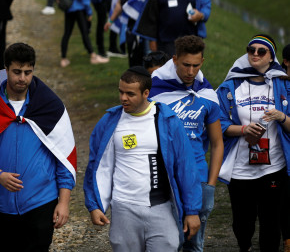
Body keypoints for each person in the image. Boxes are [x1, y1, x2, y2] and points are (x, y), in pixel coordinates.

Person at [0, 43, 77, 252]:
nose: (22, 78)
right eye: (17, 72)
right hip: (1, 204)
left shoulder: (50, 107)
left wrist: (64, 202)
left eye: (28, 72)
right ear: (6, 69)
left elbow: (63, 157)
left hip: (41, 202)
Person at [84, 66, 202, 252]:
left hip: (160, 206)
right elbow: (96, 166)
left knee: (170, 245)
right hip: (123, 208)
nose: (123, 98)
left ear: (146, 93)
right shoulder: (109, 121)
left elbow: (185, 166)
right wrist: (94, 205)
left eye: (130, 94)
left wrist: (192, 210)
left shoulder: (167, 120)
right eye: (121, 92)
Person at [150, 36, 224, 252]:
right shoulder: (155, 92)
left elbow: (217, 143)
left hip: (198, 178)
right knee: (168, 243)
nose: (191, 71)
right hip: (164, 177)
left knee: (194, 245)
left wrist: (210, 185)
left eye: (196, 65)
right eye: (185, 65)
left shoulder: (207, 96)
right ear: (174, 60)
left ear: (202, 62)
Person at [217, 35, 290, 252]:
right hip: (241, 168)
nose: (255, 54)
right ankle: (244, 246)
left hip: (273, 166)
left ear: (271, 57)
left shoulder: (284, 86)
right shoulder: (230, 86)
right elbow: (218, 123)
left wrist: (282, 117)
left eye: (261, 51)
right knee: (242, 223)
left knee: (271, 222)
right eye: (251, 50)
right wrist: (243, 130)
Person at [59, 0, 109, 67]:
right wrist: (89, 11)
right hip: (78, 9)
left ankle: (63, 58)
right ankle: (93, 56)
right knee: (84, 32)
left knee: (67, 33)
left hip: (68, 9)